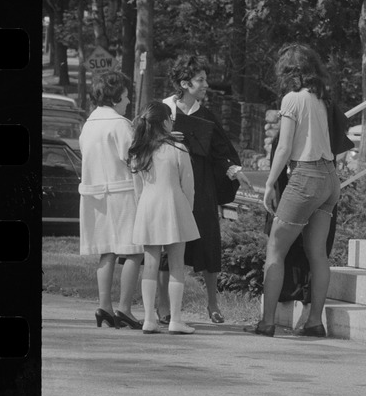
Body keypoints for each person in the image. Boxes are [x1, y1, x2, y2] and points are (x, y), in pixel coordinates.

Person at [245, 43, 343, 338]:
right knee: (318, 254)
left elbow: (284, 147)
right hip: (330, 178)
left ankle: (267, 322)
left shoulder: (292, 99)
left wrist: (269, 183)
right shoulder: (321, 97)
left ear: (288, 72)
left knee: (275, 249)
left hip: (305, 176)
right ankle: (314, 322)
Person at [158, 56, 253, 325]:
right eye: (200, 80)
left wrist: (235, 171)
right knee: (167, 245)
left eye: (205, 79)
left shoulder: (207, 116)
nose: (206, 85)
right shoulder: (163, 111)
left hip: (201, 187)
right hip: (170, 186)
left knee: (208, 243)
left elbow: (221, 152)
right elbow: (144, 142)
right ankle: (163, 305)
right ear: (184, 83)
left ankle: (212, 303)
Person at [78, 71, 143, 329]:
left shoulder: (89, 124)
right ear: (115, 98)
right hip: (121, 193)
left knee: (107, 251)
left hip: (94, 194)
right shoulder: (120, 124)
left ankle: (104, 306)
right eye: (125, 96)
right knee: (135, 251)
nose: (128, 101)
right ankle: (124, 308)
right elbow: (134, 159)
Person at [128, 101, 200, 334]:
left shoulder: (139, 150)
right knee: (177, 264)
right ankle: (175, 319)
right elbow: (188, 186)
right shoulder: (178, 149)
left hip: (148, 208)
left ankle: (149, 319)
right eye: (171, 118)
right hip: (174, 207)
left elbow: (138, 189)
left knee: (150, 264)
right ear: (165, 122)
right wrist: (187, 210)